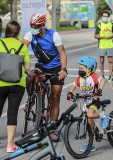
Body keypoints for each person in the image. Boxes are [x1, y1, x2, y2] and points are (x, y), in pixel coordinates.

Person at [22, 13, 67, 141]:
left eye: (36, 26)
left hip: (56, 68)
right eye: (31, 25)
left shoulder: (53, 35)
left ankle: (52, 128)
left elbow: (62, 53)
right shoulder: (30, 34)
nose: (33, 28)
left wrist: (63, 70)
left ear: (43, 25)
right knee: (30, 76)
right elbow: (22, 45)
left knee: (55, 97)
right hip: (41, 66)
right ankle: (31, 98)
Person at [0, 21, 30, 152]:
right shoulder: (22, 46)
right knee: (12, 112)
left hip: (1, 82)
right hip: (17, 84)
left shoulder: (0, 43)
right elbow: (27, 67)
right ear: (18, 32)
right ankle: (10, 145)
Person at [67, 56, 106, 152]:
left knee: (90, 115)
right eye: (79, 68)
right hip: (85, 102)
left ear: (89, 69)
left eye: (82, 68)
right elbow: (74, 85)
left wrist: (99, 90)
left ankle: (103, 116)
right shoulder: (80, 78)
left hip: (94, 101)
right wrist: (70, 92)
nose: (80, 70)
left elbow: (103, 80)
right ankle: (91, 145)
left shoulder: (93, 76)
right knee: (89, 123)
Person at [94, 10, 113, 82]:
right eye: (104, 16)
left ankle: (110, 76)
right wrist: (103, 37)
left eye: (106, 16)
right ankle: (102, 76)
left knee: (110, 61)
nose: (105, 17)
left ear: (108, 17)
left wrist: (111, 36)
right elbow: (95, 35)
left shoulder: (111, 24)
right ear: (102, 16)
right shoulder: (99, 25)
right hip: (102, 45)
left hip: (109, 45)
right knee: (101, 61)